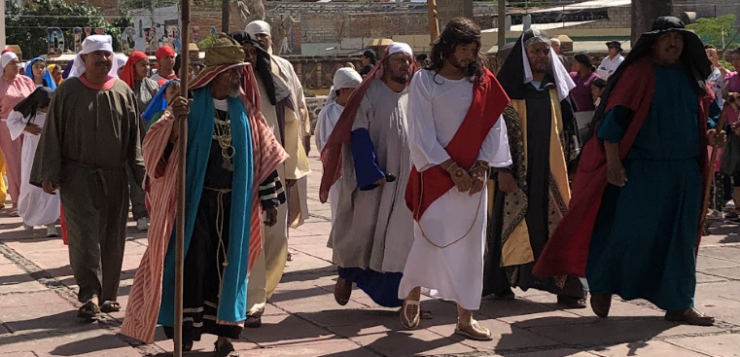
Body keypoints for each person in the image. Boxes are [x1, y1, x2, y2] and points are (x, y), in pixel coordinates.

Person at [534, 16, 721, 326]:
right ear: (654, 42)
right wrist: (613, 163)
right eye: (667, 38)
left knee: (681, 239)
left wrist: (714, 132)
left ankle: (679, 302)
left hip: (685, 170)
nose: (673, 43)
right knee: (628, 234)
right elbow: (613, 122)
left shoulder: (691, 75)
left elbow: (708, 116)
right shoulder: (638, 73)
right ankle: (603, 285)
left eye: (678, 38)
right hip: (641, 172)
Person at [121, 34, 288, 356]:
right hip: (194, 205)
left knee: (231, 266)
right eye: (233, 72)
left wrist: (269, 199)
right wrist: (174, 126)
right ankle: (185, 335)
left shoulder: (245, 109)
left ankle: (226, 334)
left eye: (241, 72)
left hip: (234, 205)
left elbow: (263, 154)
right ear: (218, 72)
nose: (239, 77)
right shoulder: (189, 105)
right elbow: (154, 149)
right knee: (191, 266)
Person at [399, 18, 512, 341]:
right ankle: (413, 293)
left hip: (473, 180)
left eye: (474, 49)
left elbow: (494, 126)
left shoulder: (482, 80)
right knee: (428, 238)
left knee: (470, 249)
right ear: (447, 47)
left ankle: (466, 318)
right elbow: (420, 134)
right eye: (464, 48)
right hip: (436, 176)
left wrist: (481, 166)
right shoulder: (424, 81)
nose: (469, 55)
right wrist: (452, 169)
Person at [30, 35, 141, 319]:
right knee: (84, 237)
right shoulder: (68, 91)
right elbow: (53, 132)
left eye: (107, 55)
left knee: (113, 236)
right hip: (77, 177)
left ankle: (109, 295)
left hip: (114, 176)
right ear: (84, 59)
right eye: (97, 56)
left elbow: (134, 141)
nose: (103, 60)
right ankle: (89, 293)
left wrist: (143, 177)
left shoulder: (123, 91)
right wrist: (48, 173)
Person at [484, 28, 585, 307]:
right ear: (524, 55)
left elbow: (571, 131)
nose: (541, 56)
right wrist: (501, 170)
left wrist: (575, 165)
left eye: (545, 51)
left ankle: (566, 287)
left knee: (557, 224)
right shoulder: (507, 91)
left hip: (551, 173)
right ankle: (502, 283)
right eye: (535, 51)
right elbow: (495, 134)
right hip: (516, 175)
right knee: (509, 225)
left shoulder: (557, 90)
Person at [319, 43, 416, 310]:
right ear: (385, 64)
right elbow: (358, 131)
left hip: (405, 178)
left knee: (399, 236)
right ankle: (347, 275)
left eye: (408, 60)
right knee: (362, 231)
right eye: (398, 60)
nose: (404, 65)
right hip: (373, 177)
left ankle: (404, 296)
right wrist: (370, 170)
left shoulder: (416, 94)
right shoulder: (370, 93)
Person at [241, 25, 312, 326]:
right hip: (241, 171)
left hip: (275, 168)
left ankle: (261, 293)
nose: (250, 55)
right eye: (244, 50)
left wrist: (293, 167)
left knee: (276, 235)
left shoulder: (278, 74)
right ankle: (251, 302)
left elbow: (294, 120)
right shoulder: (230, 82)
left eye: (255, 49)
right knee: (249, 236)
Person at [6, 87, 60, 237]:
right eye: (43, 108)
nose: (45, 110)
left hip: (51, 151)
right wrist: (26, 127)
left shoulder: (56, 112)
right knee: (30, 186)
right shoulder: (25, 111)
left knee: (51, 186)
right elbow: (11, 121)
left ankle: (50, 224)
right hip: (32, 151)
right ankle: (28, 218)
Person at [315, 67, 362, 222]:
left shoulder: (361, 111)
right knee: (340, 214)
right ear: (344, 90)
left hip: (359, 169)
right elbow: (322, 142)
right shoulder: (328, 113)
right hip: (338, 173)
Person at [120, 51, 159, 231]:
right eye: (143, 65)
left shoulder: (152, 86)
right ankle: (140, 214)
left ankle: (153, 211)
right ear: (133, 66)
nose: (147, 68)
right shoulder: (123, 87)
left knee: (151, 175)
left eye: (148, 64)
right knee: (135, 177)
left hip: (150, 138)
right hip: (130, 140)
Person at [0, 51, 36, 216]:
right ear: (4, 66)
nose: (17, 66)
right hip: (7, 129)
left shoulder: (27, 81)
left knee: (30, 161)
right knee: (14, 163)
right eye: (12, 63)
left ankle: (31, 199)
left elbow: (36, 101)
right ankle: (16, 200)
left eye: (18, 62)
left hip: (28, 127)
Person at [721, 48, 740, 220]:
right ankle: (738, 207)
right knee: (736, 168)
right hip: (734, 128)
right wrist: (733, 96)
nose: (735, 62)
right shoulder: (731, 76)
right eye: (733, 59)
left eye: (738, 59)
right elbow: (724, 93)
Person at [570, 53, 601, 142]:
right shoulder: (571, 76)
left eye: (576, 63)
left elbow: (599, 98)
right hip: (573, 114)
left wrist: (595, 117)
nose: (574, 65)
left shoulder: (594, 78)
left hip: (588, 114)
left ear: (582, 64)